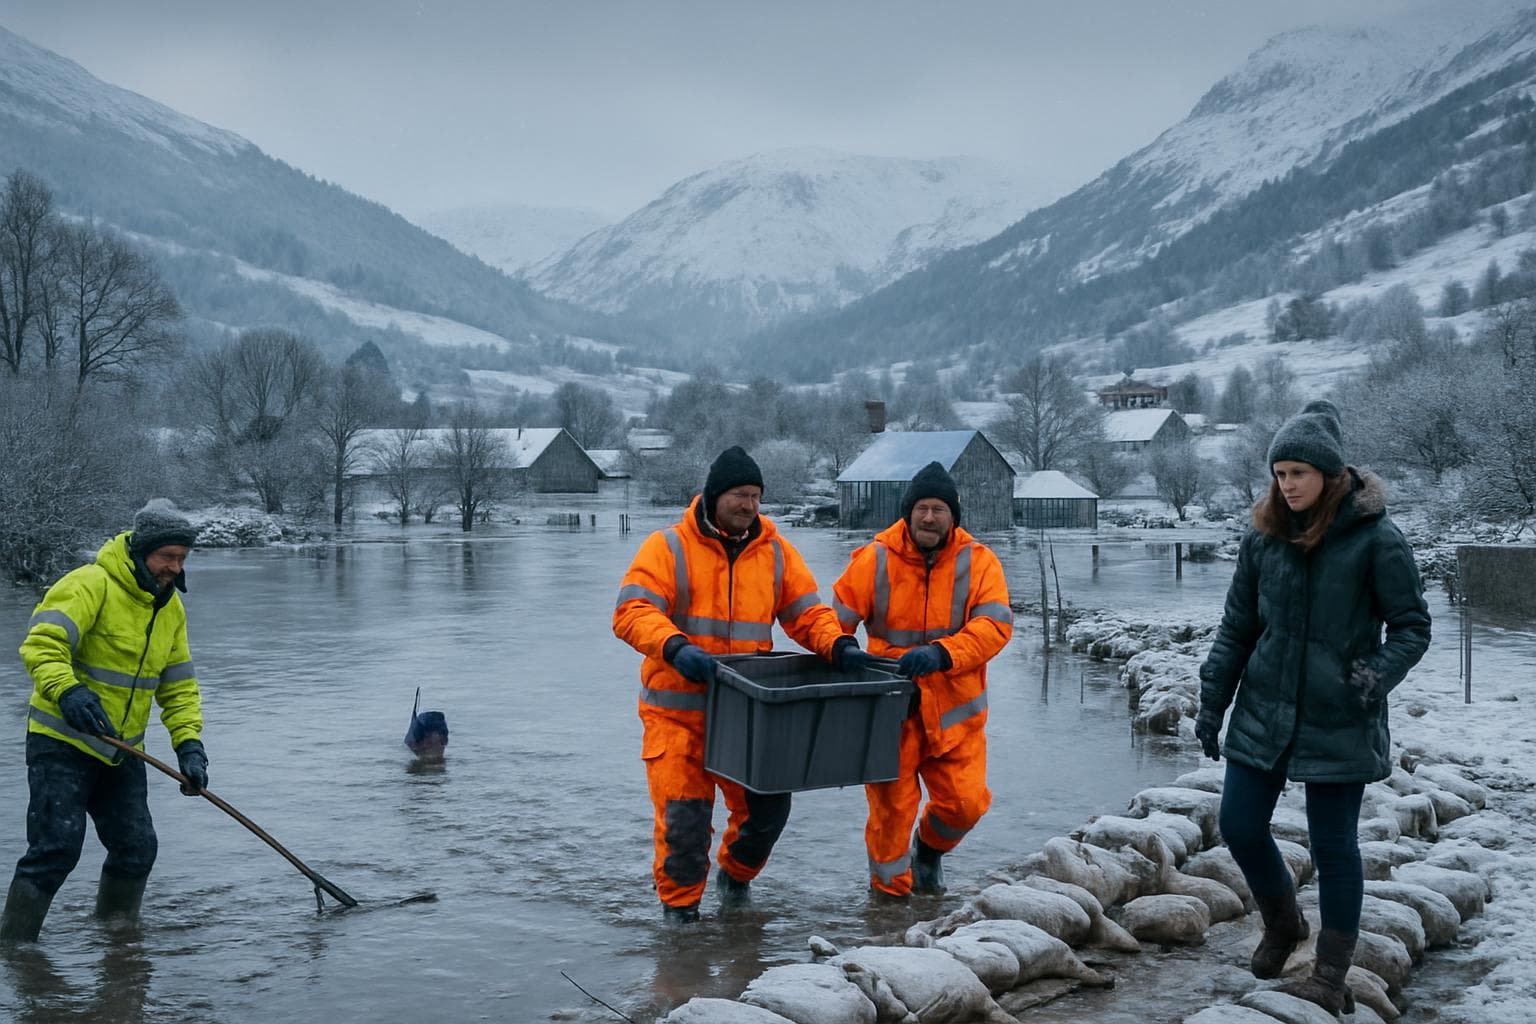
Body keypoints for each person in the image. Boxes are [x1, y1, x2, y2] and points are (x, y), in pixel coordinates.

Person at [1195, 400, 1431, 1013]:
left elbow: (1412, 627)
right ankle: (1282, 921)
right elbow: (1236, 630)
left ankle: (1330, 974)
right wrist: (1211, 701)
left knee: (1333, 846)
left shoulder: (1376, 539)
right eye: (1280, 473)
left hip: (1340, 715)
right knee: (1240, 825)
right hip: (1263, 710)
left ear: (1329, 474)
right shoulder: (1262, 539)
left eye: (1299, 472)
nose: (1287, 484)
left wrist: (1377, 674)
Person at [613, 446, 854, 923]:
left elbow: (806, 614)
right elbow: (631, 612)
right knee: (684, 825)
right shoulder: (668, 547)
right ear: (714, 495)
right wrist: (677, 647)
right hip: (678, 712)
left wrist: (838, 645)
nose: (749, 506)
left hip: (748, 713)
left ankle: (734, 880)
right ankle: (680, 932)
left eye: (756, 496)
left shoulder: (777, 552)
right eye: (740, 495)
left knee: (768, 814)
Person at [1, 500, 210, 944]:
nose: (174, 567)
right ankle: (15, 953)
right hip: (60, 741)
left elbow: (178, 687)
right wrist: (69, 690)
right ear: (141, 551)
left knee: (137, 848)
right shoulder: (88, 584)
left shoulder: (169, 610)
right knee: (56, 850)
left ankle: (118, 941)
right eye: (167, 557)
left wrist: (189, 745)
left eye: (182, 558)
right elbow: (41, 645)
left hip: (122, 749)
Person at [831, 462, 1012, 898]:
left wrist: (942, 653)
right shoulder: (874, 558)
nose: (929, 517)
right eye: (921, 509)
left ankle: (928, 851)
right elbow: (833, 620)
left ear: (954, 516)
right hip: (889, 711)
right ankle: (887, 907)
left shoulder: (980, 562)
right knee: (891, 816)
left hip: (954, 712)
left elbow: (995, 626)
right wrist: (844, 655)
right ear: (907, 513)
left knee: (965, 806)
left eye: (939, 509)